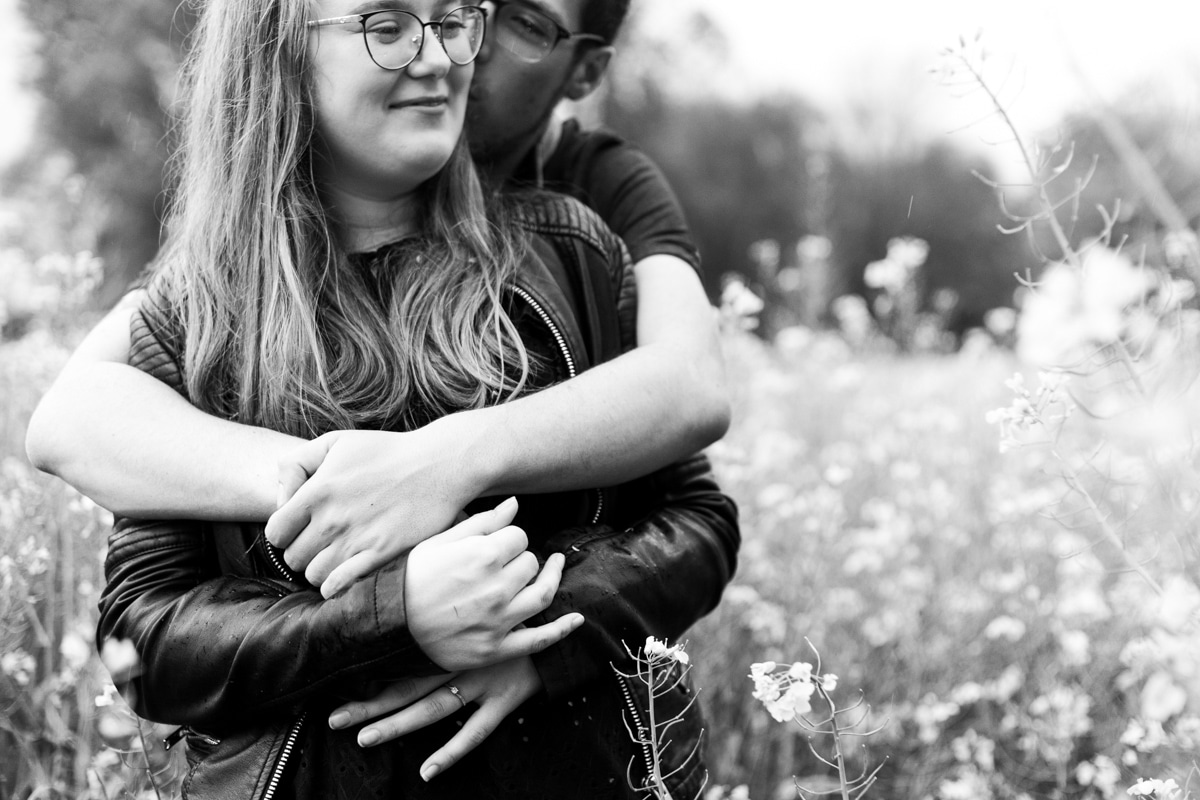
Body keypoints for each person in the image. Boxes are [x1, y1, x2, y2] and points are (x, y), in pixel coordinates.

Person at [32, 0, 738, 797]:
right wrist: (388, 612)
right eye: (388, 25)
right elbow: (145, 644)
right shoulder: (197, 318)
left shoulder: (573, 249)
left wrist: (539, 625)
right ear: (279, 51)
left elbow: (695, 517)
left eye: (452, 20)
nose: (439, 57)